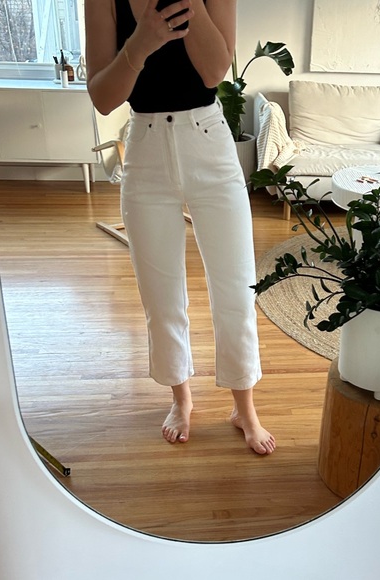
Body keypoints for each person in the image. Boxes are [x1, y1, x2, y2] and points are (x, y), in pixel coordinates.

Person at [85, 0, 275, 454]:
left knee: (236, 288)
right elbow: (104, 97)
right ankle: (181, 398)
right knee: (161, 295)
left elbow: (213, 73)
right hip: (146, 147)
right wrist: (140, 43)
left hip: (208, 142)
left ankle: (244, 408)